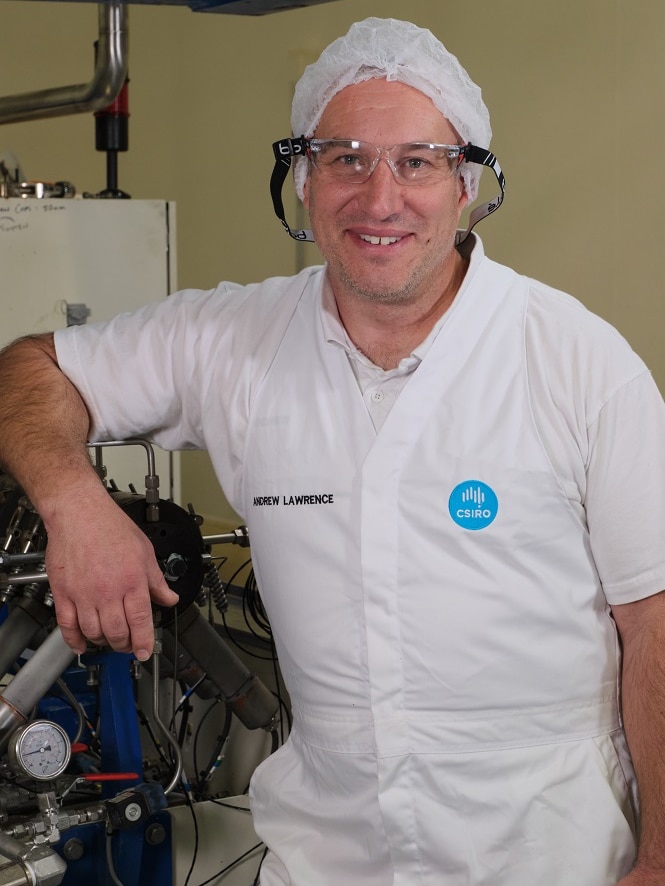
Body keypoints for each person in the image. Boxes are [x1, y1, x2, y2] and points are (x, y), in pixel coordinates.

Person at [1, 16, 665, 886]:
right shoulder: (231, 338)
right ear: (304, 181)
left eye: (417, 162)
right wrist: (75, 504)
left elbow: (653, 623)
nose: (379, 196)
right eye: (344, 157)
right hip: (328, 860)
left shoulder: (576, 360)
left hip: (549, 857)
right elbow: (30, 369)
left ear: (465, 184)